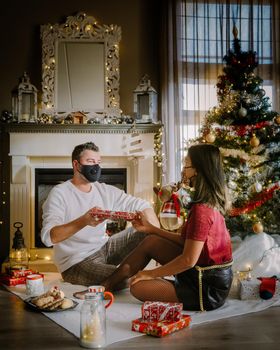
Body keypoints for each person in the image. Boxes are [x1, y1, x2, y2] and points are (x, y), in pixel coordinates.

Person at [101, 144, 233, 311]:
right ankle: (108, 285)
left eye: (186, 165)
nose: (183, 171)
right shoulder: (207, 204)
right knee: (151, 241)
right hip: (200, 273)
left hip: (205, 288)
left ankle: (114, 283)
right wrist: (151, 229)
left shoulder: (202, 211)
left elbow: (188, 260)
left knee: (136, 287)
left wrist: (150, 273)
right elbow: (187, 242)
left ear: (199, 170)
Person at [41, 141, 160, 292]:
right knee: (126, 281)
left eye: (98, 162)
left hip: (103, 248)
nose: (95, 167)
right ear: (76, 165)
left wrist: (156, 231)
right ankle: (125, 273)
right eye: (90, 162)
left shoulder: (103, 190)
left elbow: (142, 205)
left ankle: (131, 271)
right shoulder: (60, 193)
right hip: (76, 262)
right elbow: (48, 238)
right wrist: (84, 220)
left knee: (147, 233)